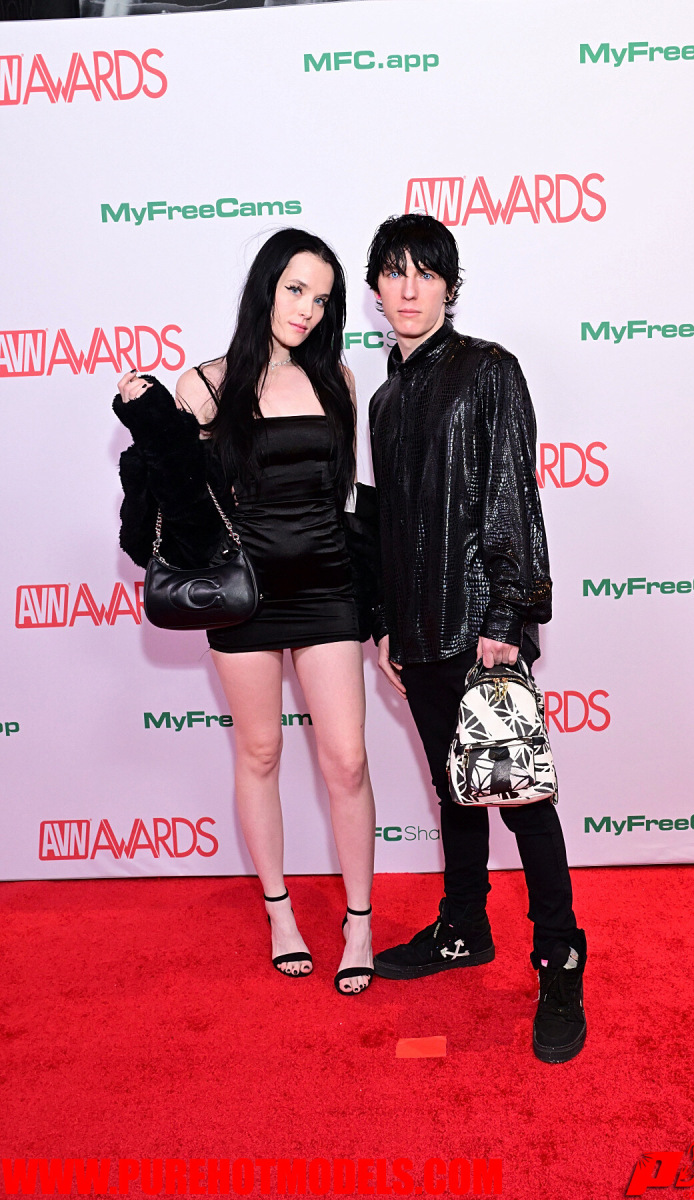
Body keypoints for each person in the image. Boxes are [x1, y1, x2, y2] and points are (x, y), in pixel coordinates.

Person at [113, 229, 376, 994]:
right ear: (265, 286)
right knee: (259, 753)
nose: (307, 309)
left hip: (328, 587)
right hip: (242, 596)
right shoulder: (205, 385)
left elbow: (342, 496)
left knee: (348, 760)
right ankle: (280, 912)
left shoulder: (338, 379)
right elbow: (174, 499)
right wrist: (150, 419)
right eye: (295, 289)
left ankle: (360, 921)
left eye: (321, 298)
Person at [366, 213, 587, 1060]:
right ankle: (463, 928)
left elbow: (511, 496)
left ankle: (560, 958)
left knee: (523, 799)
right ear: (376, 288)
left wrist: (507, 619)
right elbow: (388, 522)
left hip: (481, 631)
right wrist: (385, 623)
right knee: (454, 793)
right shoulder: (385, 399)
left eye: (426, 273)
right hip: (417, 632)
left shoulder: (489, 370)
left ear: (450, 287)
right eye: (395, 272)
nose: (410, 288)